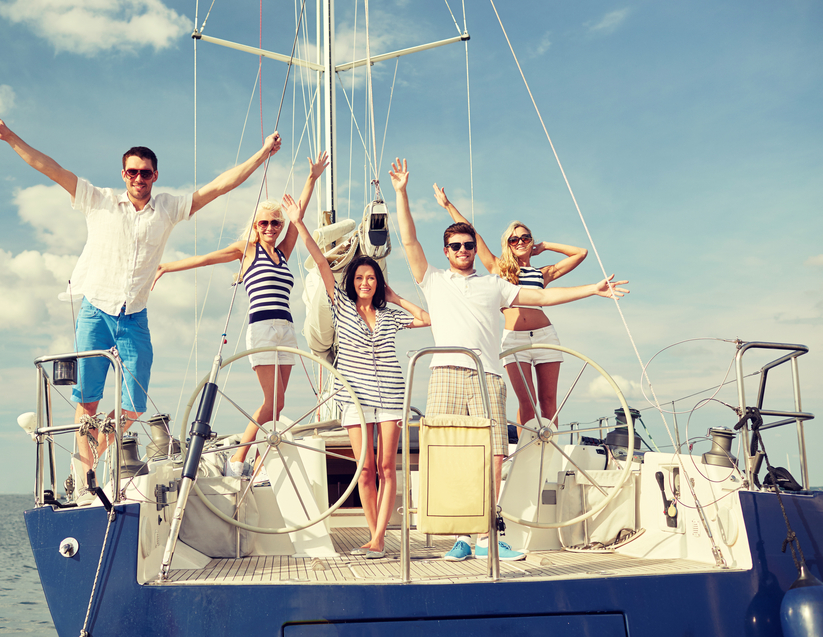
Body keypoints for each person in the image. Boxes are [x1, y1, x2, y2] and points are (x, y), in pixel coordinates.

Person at [0, 103, 281, 498]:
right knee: (88, 404)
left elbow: (219, 187)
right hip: (95, 311)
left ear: (155, 176)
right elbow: (50, 168)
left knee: (133, 405)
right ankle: (84, 482)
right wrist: (10, 137)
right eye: (132, 172)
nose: (139, 178)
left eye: (146, 172)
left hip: (134, 317)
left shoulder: (167, 208)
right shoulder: (98, 200)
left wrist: (261, 154)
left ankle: (89, 463)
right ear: (124, 175)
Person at [389, 158, 627, 562]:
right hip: (445, 373)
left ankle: (486, 534)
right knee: (449, 453)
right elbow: (409, 241)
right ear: (445, 252)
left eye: (468, 245)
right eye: (456, 247)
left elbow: (545, 297)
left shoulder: (496, 284)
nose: (464, 251)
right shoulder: (431, 279)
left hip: (487, 376)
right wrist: (401, 193)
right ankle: (461, 536)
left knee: (495, 455)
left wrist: (592, 288)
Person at [153, 152, 329, 478]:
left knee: (278, 405)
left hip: (286, 329)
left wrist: (312, 178)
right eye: (264, 222)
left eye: (276, 222)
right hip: (262, 327)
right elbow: (206, 258)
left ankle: (250, 459)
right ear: (256, 225)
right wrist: (166, 266)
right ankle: (237, 459)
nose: (270, 228)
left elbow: (297, 214)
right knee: (270, 401)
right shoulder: (247, 250)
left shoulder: (283, 252)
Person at [284, 193, 431, 559]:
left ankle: (379, 539)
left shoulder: (389, 313)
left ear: (378, 282)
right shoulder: (342, 306)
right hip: (352, 397)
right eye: (361, 277)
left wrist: (395, 297)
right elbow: (320, 262)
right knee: (364, 469)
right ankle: (373, 535)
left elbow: (428, 318)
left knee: (386, 466)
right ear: (353, 281)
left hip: (390, 397)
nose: (365, 282)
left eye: (372, 278)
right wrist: (299, 221)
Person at [433, 187, 587, 426]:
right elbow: (473, 234)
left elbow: (581, 253)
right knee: (527, 401)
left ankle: (549, 455)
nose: (520, 242)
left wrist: (545, 246)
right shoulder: (498, 268)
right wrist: (448, 206)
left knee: (549, 402)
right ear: (508, 243)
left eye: (525, 238)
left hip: (545, 336)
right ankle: (526, 451)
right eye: (514, 239)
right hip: (514, 339)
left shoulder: (542, 273)